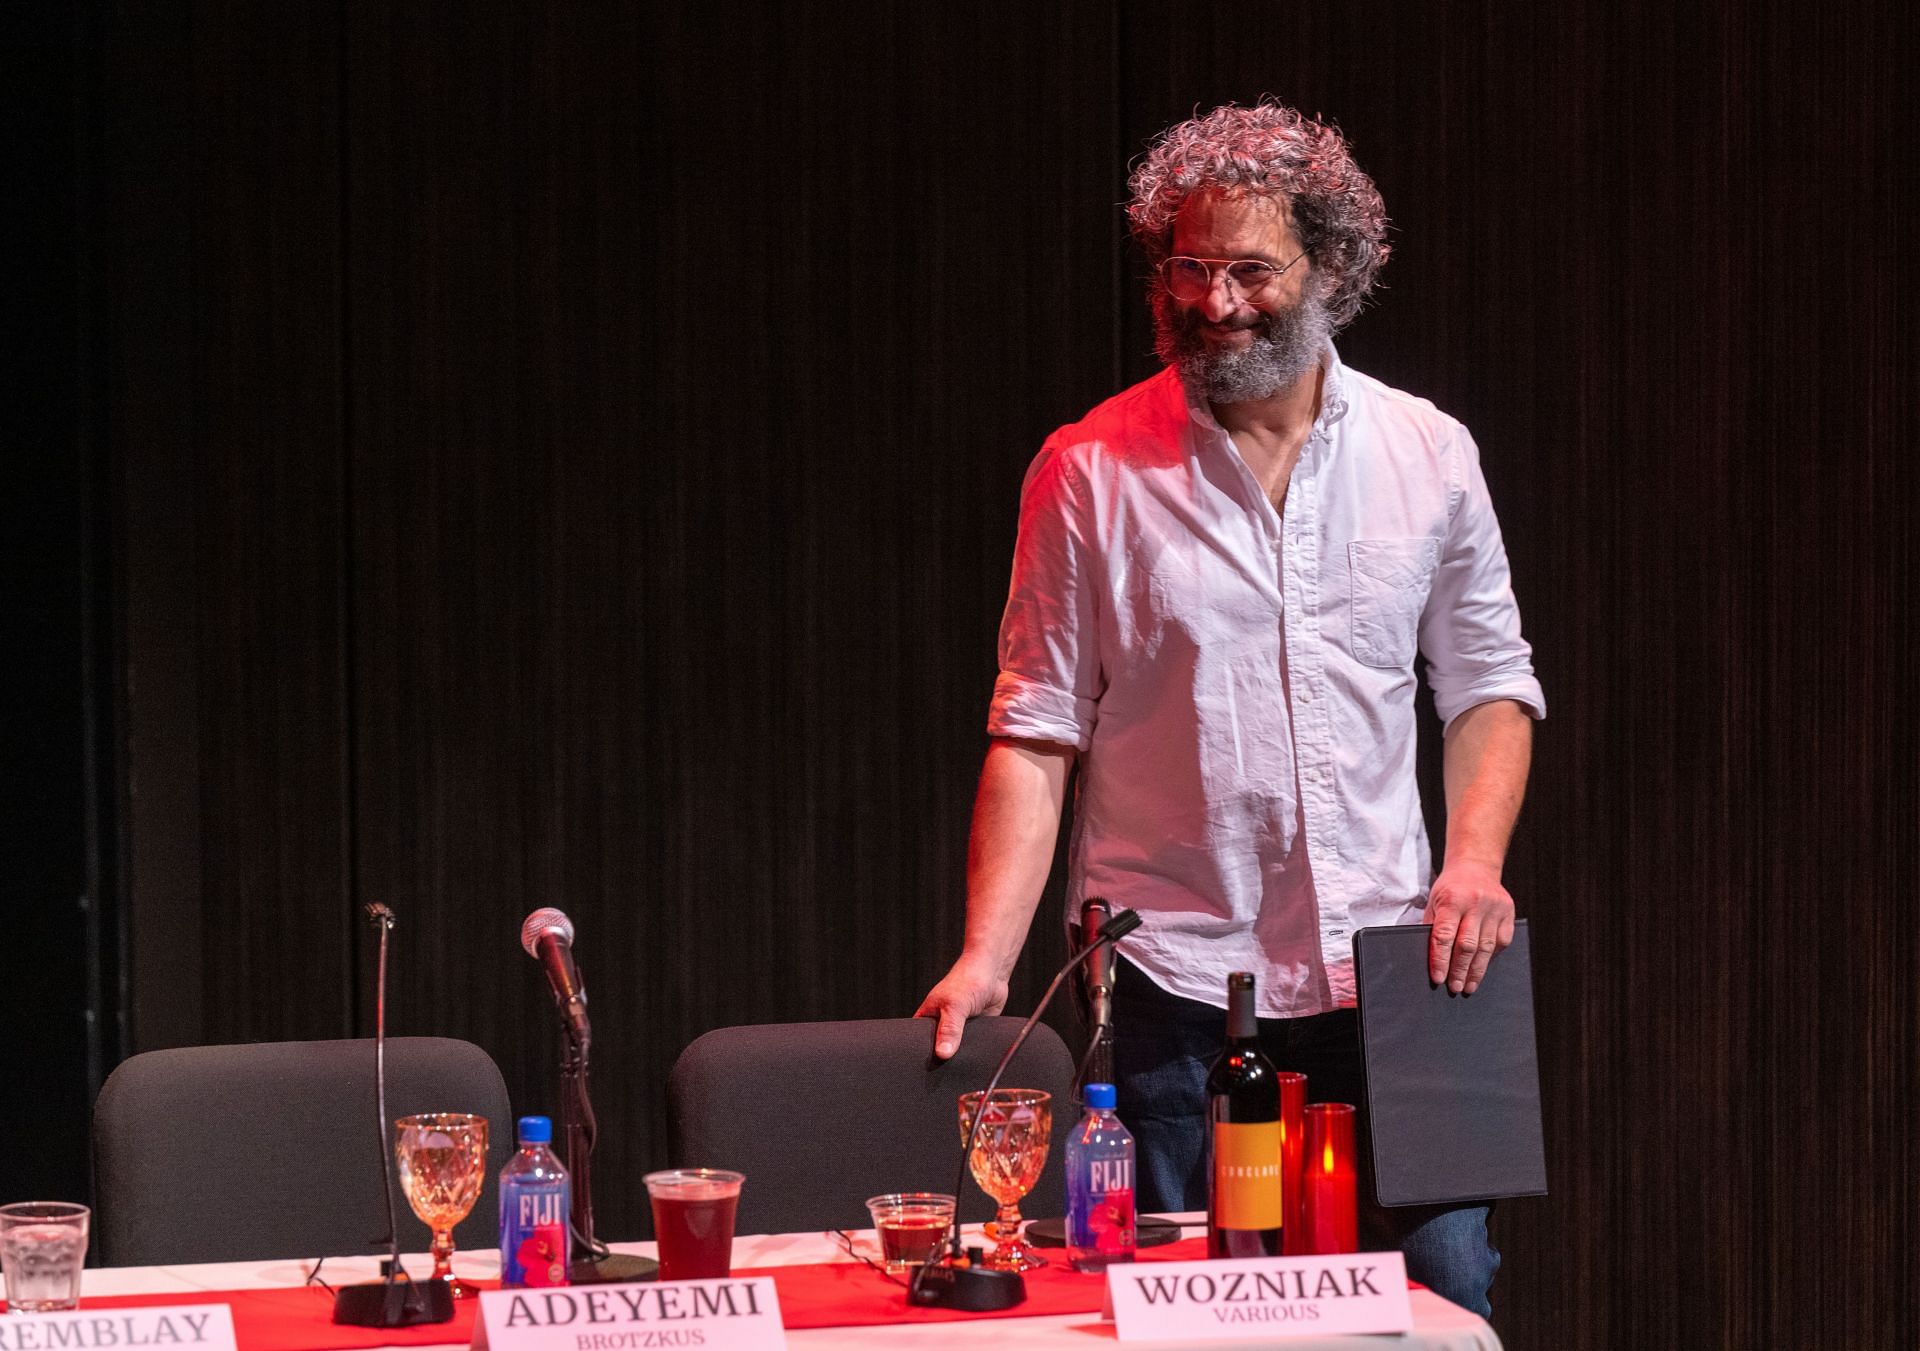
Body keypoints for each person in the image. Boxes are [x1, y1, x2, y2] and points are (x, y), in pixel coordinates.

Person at [913, 101, 1544, 1317]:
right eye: (1188, 268)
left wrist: (1473, 862)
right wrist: (988, 953)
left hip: (1394, 976)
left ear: (1334, 268)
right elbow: (1037, 727)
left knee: (1441, 1295)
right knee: (1181, 1315)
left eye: (1252, 269)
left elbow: (1488, 687)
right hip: (1170, 988)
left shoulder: (1429, 453)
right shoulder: (1089, 470)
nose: (1214, 303)